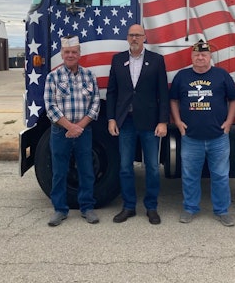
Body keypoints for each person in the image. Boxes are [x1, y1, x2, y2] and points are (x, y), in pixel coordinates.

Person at [170, 40, 235, 226]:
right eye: (196, 55)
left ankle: (222, 211)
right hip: (191, 137)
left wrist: (229, 122)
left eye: (204, 55)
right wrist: (178, 122)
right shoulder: (182, 76)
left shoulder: (222, 75)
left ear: (210, 57)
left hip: (219, 137)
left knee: (221, 176)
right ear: (191, 57)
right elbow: (174, 100)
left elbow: (234, 99)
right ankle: (190, 208)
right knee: (190, 175)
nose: (200, 58)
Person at [106, 24, 169, 225]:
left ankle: (151, 207)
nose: (134, 38)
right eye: (131, 35)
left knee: (151, 167)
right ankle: (129, 206)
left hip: (150, 122)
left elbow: (163, 94)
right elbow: (112, 92)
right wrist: (111, 118)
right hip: (125, 122)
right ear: (127, 38)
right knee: (125, 166)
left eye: (138, 35)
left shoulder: (157, 61)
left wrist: (163, 121)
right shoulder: (117, 60)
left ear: (144, 38)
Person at [44, 35, 100, 226]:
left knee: (86, 170)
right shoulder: (53, 77)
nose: (70, 55)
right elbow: (50, 107)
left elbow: (95, 104)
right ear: (61, 54)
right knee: (59, 171)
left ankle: (87, 208)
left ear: (79, 54)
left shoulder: (89, 76)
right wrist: (70, 127)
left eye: (74, 52)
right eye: (67, 52)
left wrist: (79, 127)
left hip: (83, 131)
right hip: (61, 132)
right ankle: (60, 209)